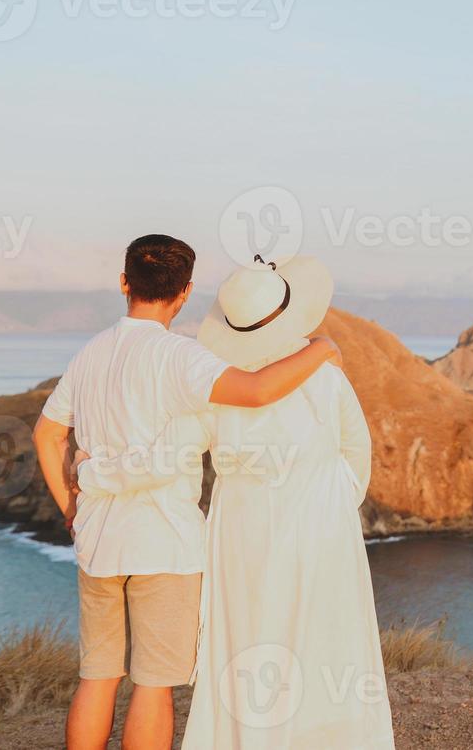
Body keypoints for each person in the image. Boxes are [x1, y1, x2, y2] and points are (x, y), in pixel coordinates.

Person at [33, 235, 344, 750]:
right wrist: (322, 349)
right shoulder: (180, 357)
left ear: (124, 283)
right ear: (186, 292)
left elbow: (46, 434)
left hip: (97, 541)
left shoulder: (88, 354)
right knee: (153, 686)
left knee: (98, 677)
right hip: (163, 545)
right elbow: (257, 389)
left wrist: (71, 509)